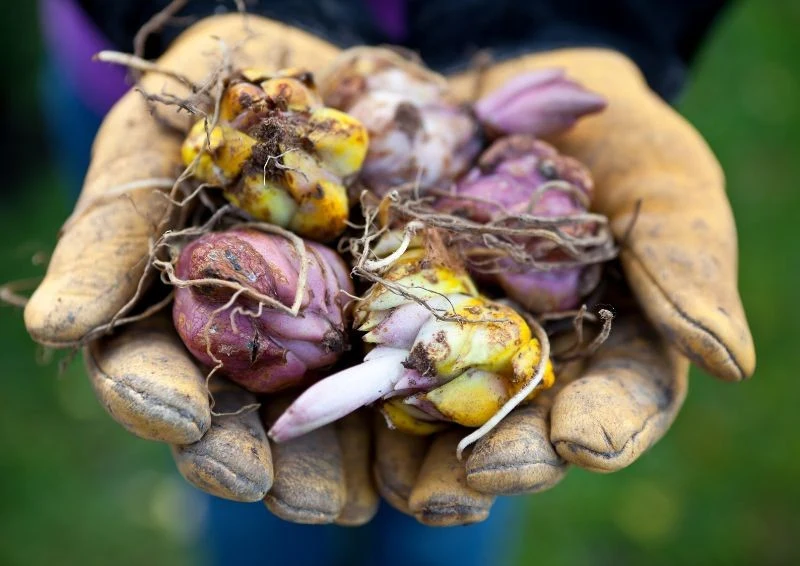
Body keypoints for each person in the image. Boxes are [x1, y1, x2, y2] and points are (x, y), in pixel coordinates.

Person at [34, 1, 755, 565]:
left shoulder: (421, 302)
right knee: (230, 454)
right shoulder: (324, 191)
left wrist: (570, 20)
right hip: (141, 70)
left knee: (457, 493)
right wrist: (204, 10)